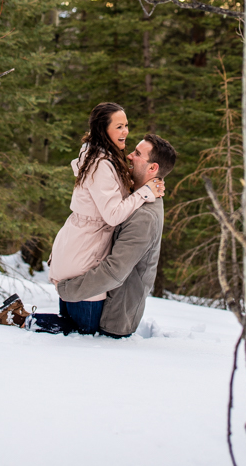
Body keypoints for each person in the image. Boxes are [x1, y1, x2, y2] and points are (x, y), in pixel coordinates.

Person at [28, 102, 165, 335]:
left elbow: (111, 189)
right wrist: (144, 192)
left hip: (83, 243)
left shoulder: (103, 154)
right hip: (85, 249)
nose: (126, 132)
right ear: (104, 130)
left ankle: (23, 318)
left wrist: (144, 185)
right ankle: (23, 320)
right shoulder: (101, 163)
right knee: (84, 331)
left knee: (76, 326)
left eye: (126, 125)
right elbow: (112, 215)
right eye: (119, 126)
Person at [55, 133, 176, 338]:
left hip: (110, 318)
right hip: (94, 294)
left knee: (63, 341)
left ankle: (20, 319)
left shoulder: (145, 216)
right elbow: (93, 176)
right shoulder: (133, 193)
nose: (129, 155)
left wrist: (69, 290)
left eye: (137, 153)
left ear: (153, 168)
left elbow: (115, 272)